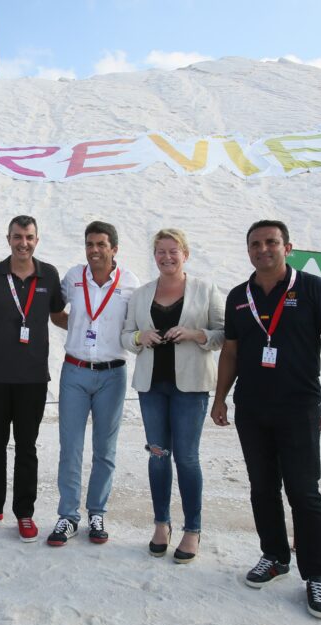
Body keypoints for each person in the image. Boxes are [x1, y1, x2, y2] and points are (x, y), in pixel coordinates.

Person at [211, 220, 321, 620]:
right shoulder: (240, 296)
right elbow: (231, 353)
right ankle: (273, 555)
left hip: (299, 407)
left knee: (304, 493)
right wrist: (220, 398)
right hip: (252, 409)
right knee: (262, 487)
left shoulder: (312, 289)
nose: (263, 249)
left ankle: (316, 576)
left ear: (288, 247)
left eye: (271, 242)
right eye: (255, 244)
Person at [121, 228, 224, 563]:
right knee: (158, 454)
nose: (167, 257)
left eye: (173, 251)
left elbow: (224, 334)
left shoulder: (205, 289)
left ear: (185, 254)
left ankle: (192, 529)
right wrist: (140, 336)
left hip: (191, 387)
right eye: (161, 252)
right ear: (155, 256)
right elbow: (125, 335)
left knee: (187, 458)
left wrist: (196, 334)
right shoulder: (141, 294)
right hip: (152, 386)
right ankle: (161, 524)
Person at [0, 215, 65, 542]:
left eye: (29, 237)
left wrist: (95, 324)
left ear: (37, 239)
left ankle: (25, 513)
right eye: (18, 236)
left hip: (34, 377)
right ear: (8, 238)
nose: (24, 243)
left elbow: (59, 315)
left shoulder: (48, 274)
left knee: (26, 447)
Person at [47, 221, 139, 546]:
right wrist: (75, 324)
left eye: (101, 244)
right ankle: (67, 516)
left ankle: (96, 512)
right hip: (74, 371)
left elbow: (136, 324)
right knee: (70, 448)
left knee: (105, 449)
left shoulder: (130, 282)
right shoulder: (73, 277)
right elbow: (55, 311)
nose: (94, 250)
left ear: (114, 249)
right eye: (89, 244)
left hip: (113, 374)